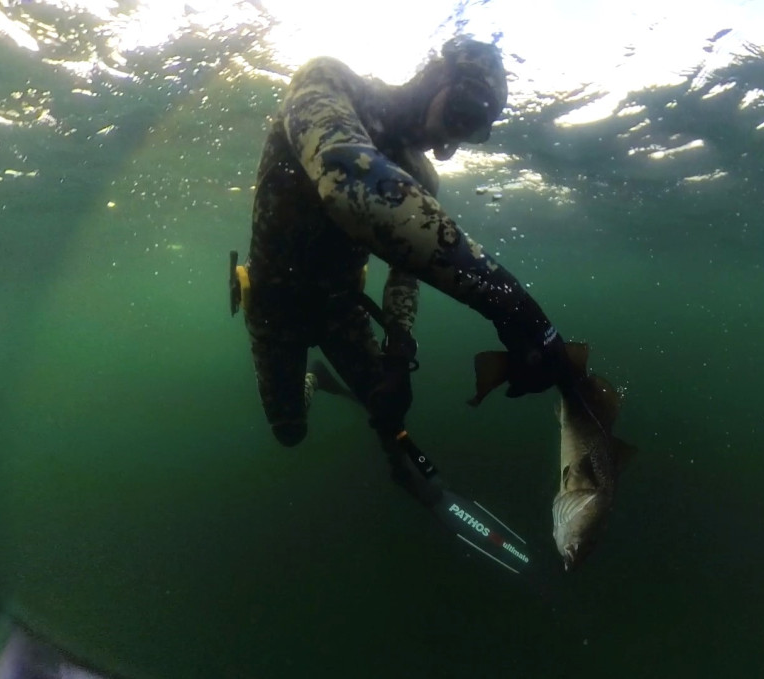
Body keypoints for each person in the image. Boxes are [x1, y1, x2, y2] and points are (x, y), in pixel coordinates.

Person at [230, 36, 572, 466]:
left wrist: (398, 354)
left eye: (472, 132)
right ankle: (311, 382)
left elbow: (405, 269)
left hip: (341, 309)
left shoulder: (421, 176)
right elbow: (348, 180)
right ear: (437, 74)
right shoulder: (330, 82)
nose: (447, 146)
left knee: (389, 414)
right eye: (462, 113)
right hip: (272, 308)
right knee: (289, 432)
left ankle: (391, 450)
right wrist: (512, 305)